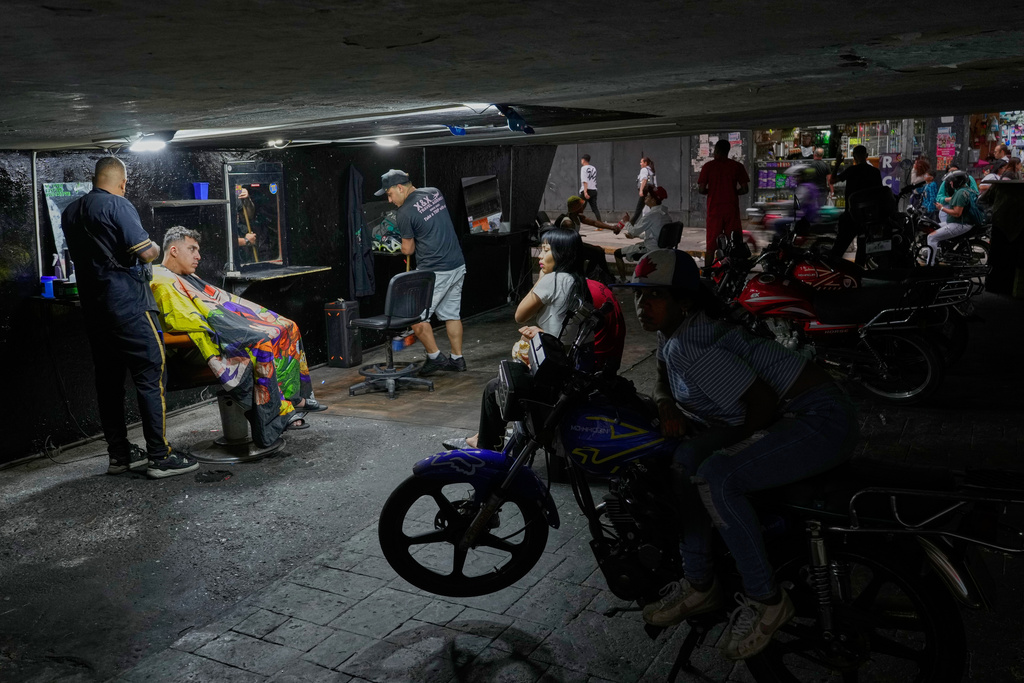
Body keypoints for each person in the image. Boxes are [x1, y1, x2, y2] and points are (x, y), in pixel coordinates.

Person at [627, 249, 858, 660]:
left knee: (717, 476)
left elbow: (763, 405)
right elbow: (662, 374)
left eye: (655, 296)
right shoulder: (674, 334)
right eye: (639, 295)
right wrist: (664, 403)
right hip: (796, 414)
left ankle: (766, 599)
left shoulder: (691, 345)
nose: (643, 306)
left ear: (684, 301)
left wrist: (729, 449)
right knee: (692, 459)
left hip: (818, 418)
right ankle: (699, 579)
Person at [60, 157, 199, 478]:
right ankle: (159, 456)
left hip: (96, 312)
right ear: (123, 183)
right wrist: (151, 246)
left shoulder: (71, 211)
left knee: (108, 384)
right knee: (151, 378)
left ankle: (120, 456)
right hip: (131, 308)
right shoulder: (118, 206)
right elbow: (147, 252)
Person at [442, 228, 625, 451]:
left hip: (556, 381)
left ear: (562, 254)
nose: (539, 256)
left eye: (546, 250)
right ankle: (487, 437)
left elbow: (520, 315)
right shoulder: (580, 283)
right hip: (577, 372)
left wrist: (541, 279)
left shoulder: (554, 280)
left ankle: (486, 448)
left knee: (494, 388)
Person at [151, 226, 325, 443]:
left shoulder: (185, 277)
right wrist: (237, 330)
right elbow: (189, 323)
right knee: (261, 341)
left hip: (217, 335)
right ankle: (278, 414)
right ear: (174, 250)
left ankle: (293, 397)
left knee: (287, 327)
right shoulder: (162, 281)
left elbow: (221, 307)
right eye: (192, 249)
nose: (199, 256)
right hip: (196, 349)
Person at [376, 169, 467, 375]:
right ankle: (457, 359)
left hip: (435, 271)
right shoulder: (434, 192)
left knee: (415, 317)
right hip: (457, 263)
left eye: (390, 194)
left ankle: (435, 357)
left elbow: (408, 249)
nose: (390, 200)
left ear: (400, 188)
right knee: (452, 314)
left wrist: (397, 243)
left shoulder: (404, 212)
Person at [827, 145, 882, 264]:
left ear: (854, 157)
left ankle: (833, 273)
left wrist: (837, 163)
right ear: (867, 156)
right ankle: (858, 275)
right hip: (868, 218)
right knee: (862, 251)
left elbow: (832, 180)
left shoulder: (852, 170)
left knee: (839, 249)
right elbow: (879, 194)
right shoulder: (874, 172)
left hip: (851, 215)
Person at [697, 139, 750, 261]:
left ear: (715, 150)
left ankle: (707, 274)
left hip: (714, 210)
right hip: (731, 209)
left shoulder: (708, 167)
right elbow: (745, 189)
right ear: (728, 151)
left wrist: (711, 191)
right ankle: (733, 272)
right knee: (734, 242)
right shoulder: (737, 166)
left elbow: (701, 189)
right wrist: (732, 192)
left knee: (711, 245)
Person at [613, 184, 671, 281]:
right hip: (661, 247)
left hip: (651, 250)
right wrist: (636, 236)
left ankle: (623, 280)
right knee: (637, 244)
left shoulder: (651, 216)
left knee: (617, 253)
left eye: (648, 196)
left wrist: (626, 221)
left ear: (653, 200)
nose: (645, 197)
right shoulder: (665, 214)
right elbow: (655, 234)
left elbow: (633, 231)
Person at [556, 195, 618, 283]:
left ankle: (603, 275)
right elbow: (568, 241)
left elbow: (594, 223)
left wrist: (611, 227)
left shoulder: (578, 216)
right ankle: (591, 276)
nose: (583, 207)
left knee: (598, 251)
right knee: (597, 252)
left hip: (575, 244)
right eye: (581, 205)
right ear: (575, 207)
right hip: (569, 249)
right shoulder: (568, 222)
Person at [929, 173, 980, 265]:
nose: (950, 184)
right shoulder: (967, 190)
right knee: (934, 227)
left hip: (960, 223)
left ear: (957, 182)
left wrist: (941, 208)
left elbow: (957, 213)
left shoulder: (960, 193)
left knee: (932, 237)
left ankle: (930, 264)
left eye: (952, 182)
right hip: (958, 222)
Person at [631, 157, 657, 224]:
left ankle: (632, 223)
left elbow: (644, 180)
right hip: (651, 192)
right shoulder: (651, 170)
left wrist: (641, 190)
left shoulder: (644, 170)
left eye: (641, 162)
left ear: (645, 163)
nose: (640, 163)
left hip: (646, 192)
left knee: (639, 209)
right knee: (649, 209)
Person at [579, 154, 602, 221]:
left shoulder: (583, 168)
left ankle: (575, 223)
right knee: (595, 208)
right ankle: (600, 224)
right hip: (594, 190)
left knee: (578, 207)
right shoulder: (593, 168)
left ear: (583, 160)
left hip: (586, 190)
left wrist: (585, 192)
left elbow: (585, 181)